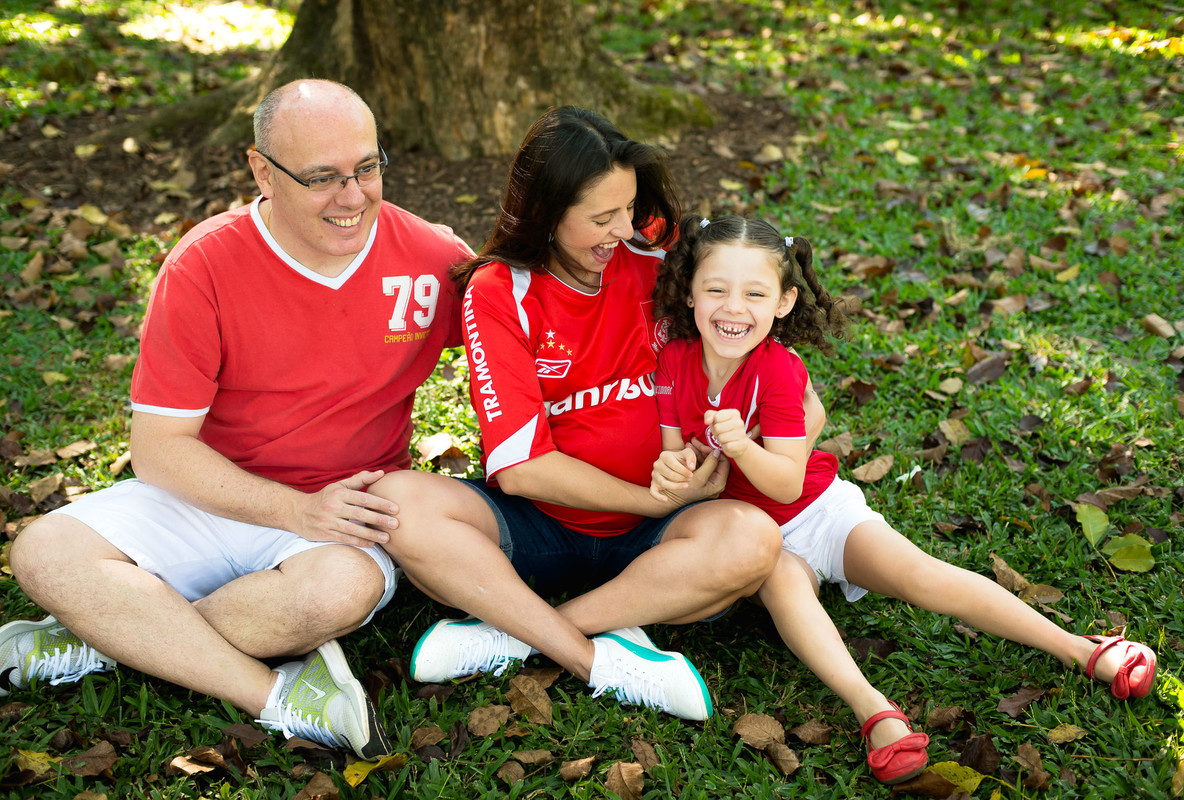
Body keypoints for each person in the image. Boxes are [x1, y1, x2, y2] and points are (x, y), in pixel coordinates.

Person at [0, 79, 473, 761]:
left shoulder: (429, 258)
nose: (353, 197)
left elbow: (533, 333)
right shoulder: (205, 263)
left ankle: (106, 633)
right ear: (261, 170)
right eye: (322, 177)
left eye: (367, 168)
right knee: (43, 552)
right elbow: (160, 451)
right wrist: (292, 510)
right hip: (210, 493)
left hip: (346, 509)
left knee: (338, 593)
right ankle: (278, 696)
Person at [650, 215, 1159, 784]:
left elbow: (788, 484)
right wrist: (678, 468)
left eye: (754, 293)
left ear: (785, 301)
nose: (732, 308)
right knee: (786, 583)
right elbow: (678, 454)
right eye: (716, 289)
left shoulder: (781, 369)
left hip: (816, 511)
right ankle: (873, 710)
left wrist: (741, 446)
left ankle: (1076, 647)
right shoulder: (673, 363)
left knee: (922, 575)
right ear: (689, 290)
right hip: (744, 532)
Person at [367, 107, 782, 721]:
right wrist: (650, 499)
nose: (621, 229)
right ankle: (598, 657)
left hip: (655, 544)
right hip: (537, 526)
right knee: (397, 504)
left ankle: (513, 634)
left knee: (752, 542)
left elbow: (754, 345)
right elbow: (522, 469)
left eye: (628, 209)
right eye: (600, 217)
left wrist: (710, 456)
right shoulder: (499, 290)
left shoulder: (658, 261)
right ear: (547, 212)